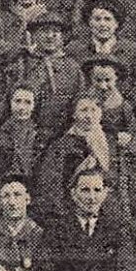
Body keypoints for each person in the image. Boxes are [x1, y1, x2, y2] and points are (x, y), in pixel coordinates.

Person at [33, 93, 123, 230]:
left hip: (107, 213)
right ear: (74, 115)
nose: (89, 116)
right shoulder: (61, 145)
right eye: (83, 110)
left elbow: (120, 178)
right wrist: (62, 216)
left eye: (94, 110)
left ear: (100, 112)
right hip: (71, 214)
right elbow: (50, 183)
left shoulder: (111, 142)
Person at [0, 84, 42, 220]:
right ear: (9, 103)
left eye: (28, 102)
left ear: (35, 106)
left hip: (33, 211)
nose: (22, 108)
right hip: (0, 209)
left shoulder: (42, 139)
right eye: (17, 101)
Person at [10, 16, 83, 140]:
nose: (50, 36)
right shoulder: (23, 63)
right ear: (35, 35)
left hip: (62, 135)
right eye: (44, 31)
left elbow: (80, 100)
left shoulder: (72, 67)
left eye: (55, 32)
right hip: (26, 134)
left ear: (63, 36)